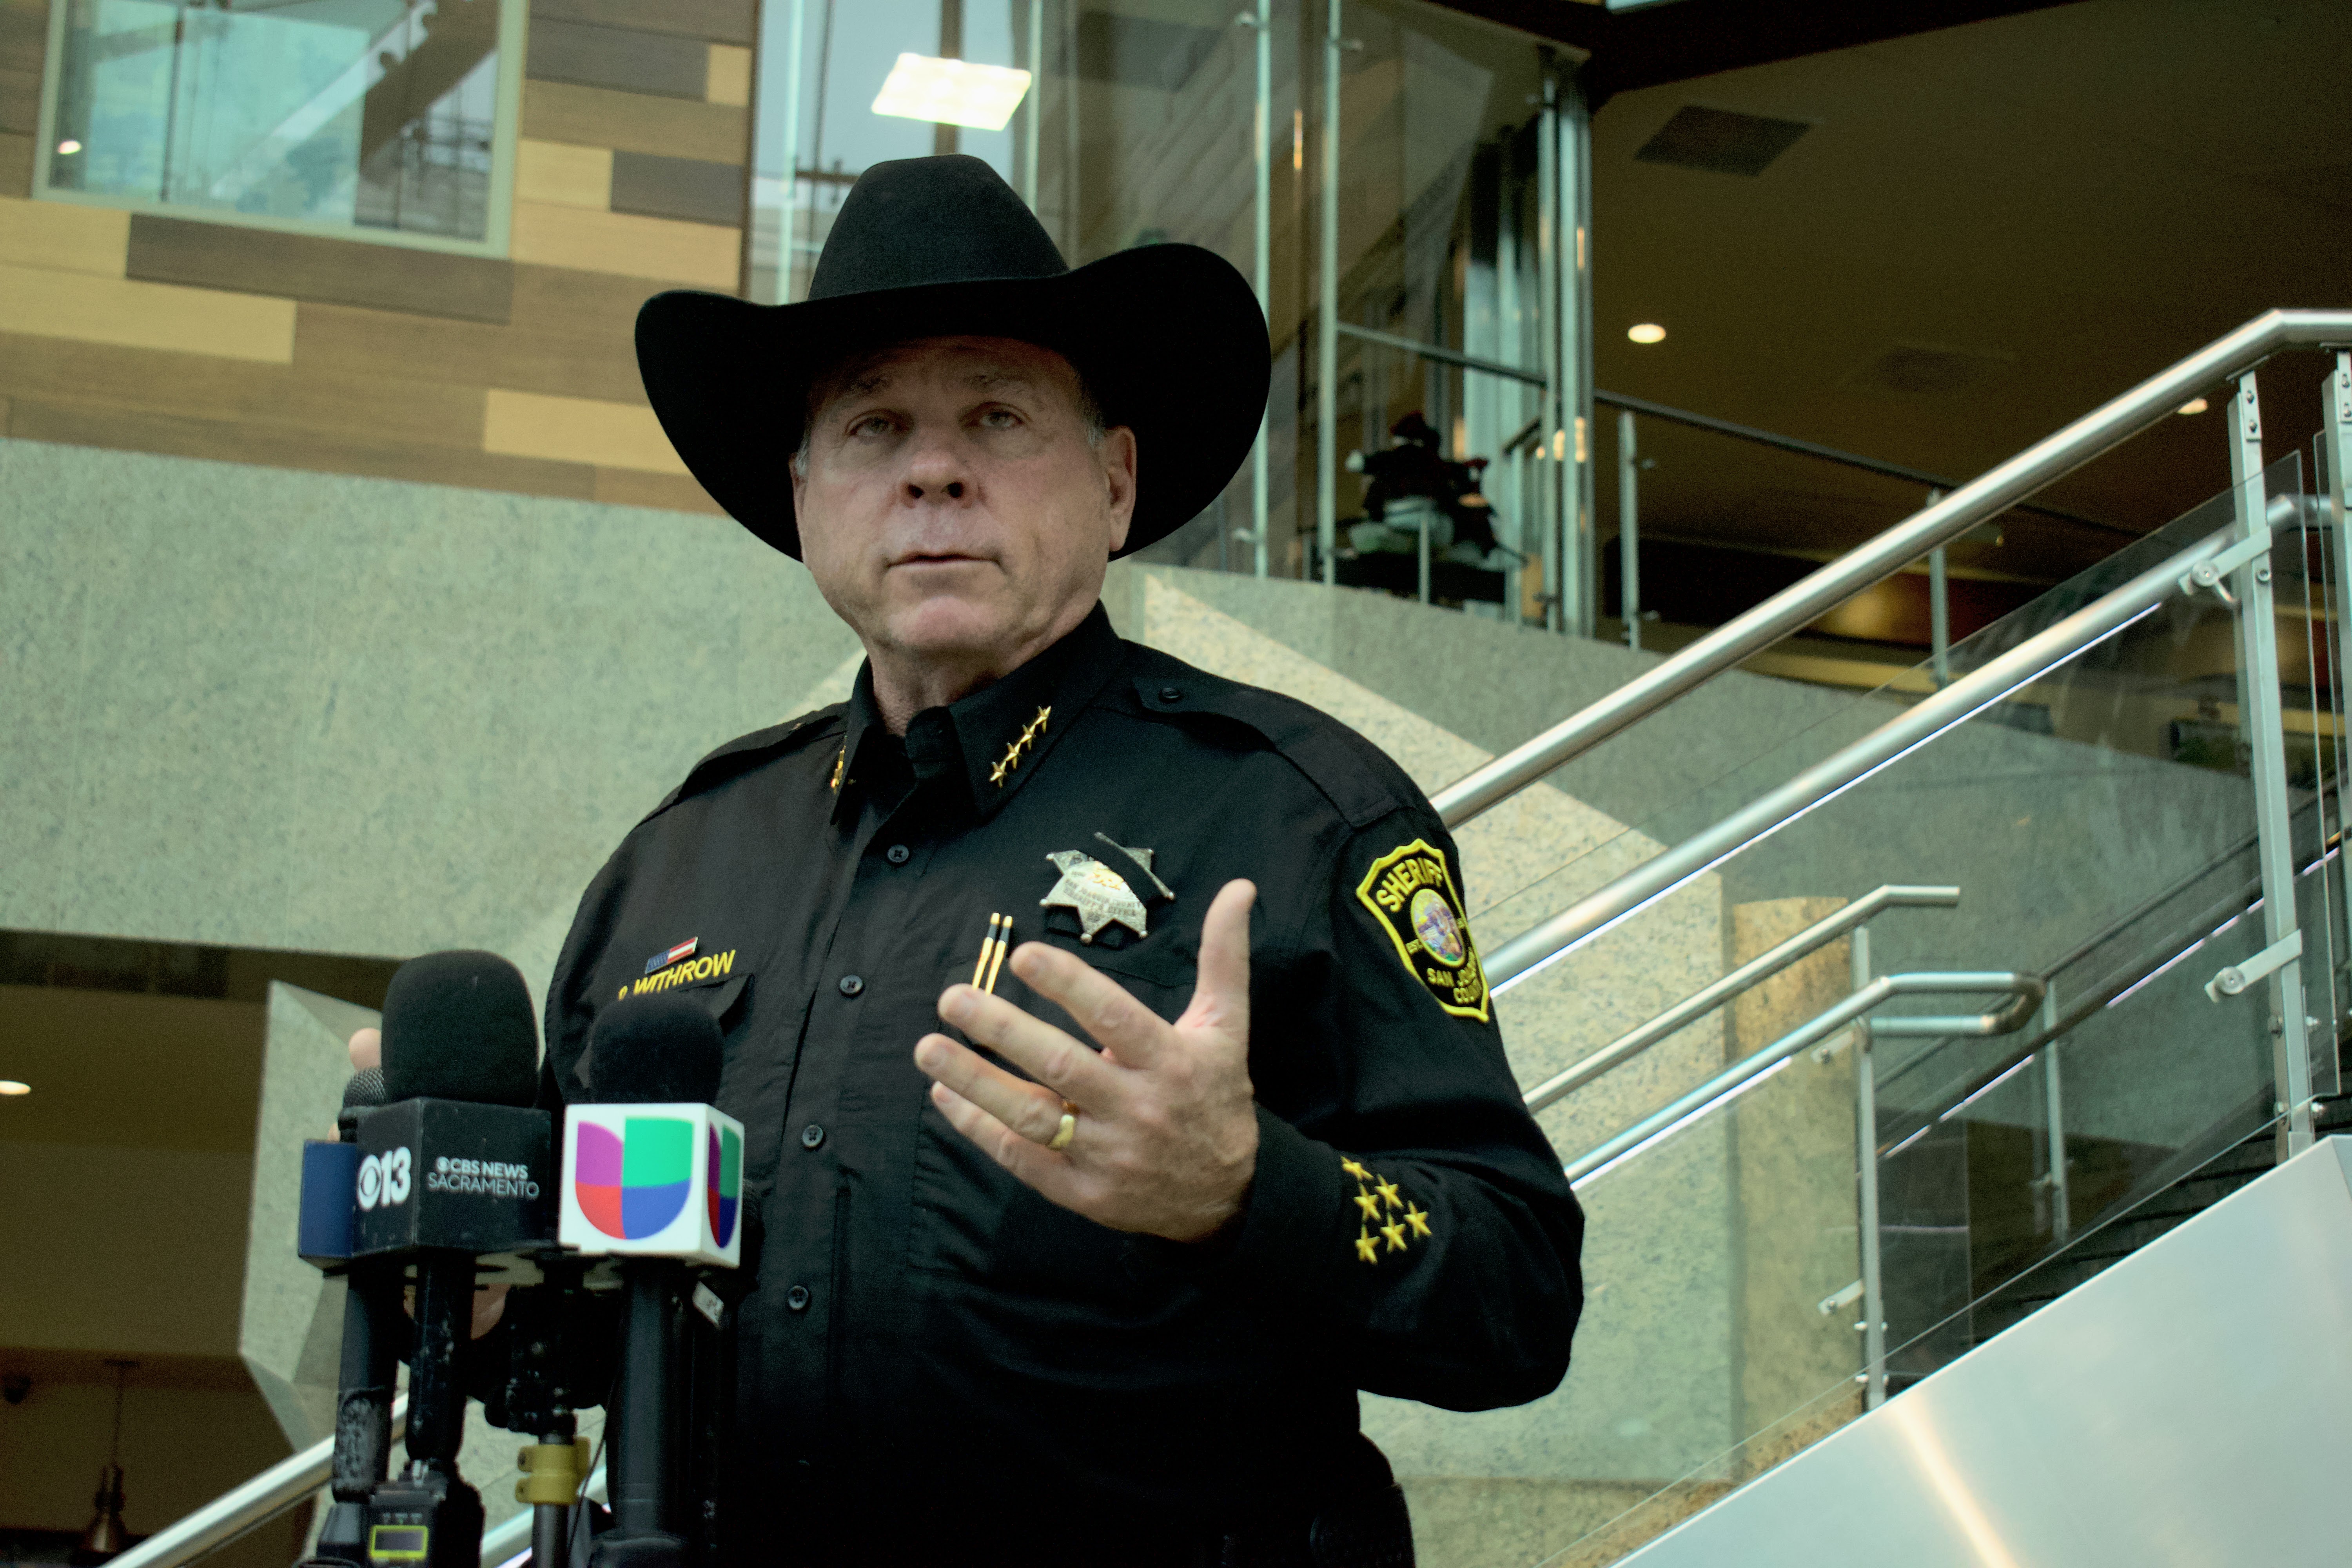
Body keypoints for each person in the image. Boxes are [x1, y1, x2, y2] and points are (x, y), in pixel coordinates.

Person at [445, 155, 1582, 1566]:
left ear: (1113, 484)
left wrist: (1245, 1189)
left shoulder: (1301, 816)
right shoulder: (680, 866)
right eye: (872, 425)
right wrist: (485, 1295)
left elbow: (1519, 1294)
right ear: (804, 502)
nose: (932, 466)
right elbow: (592, 1331)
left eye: (997, 412)